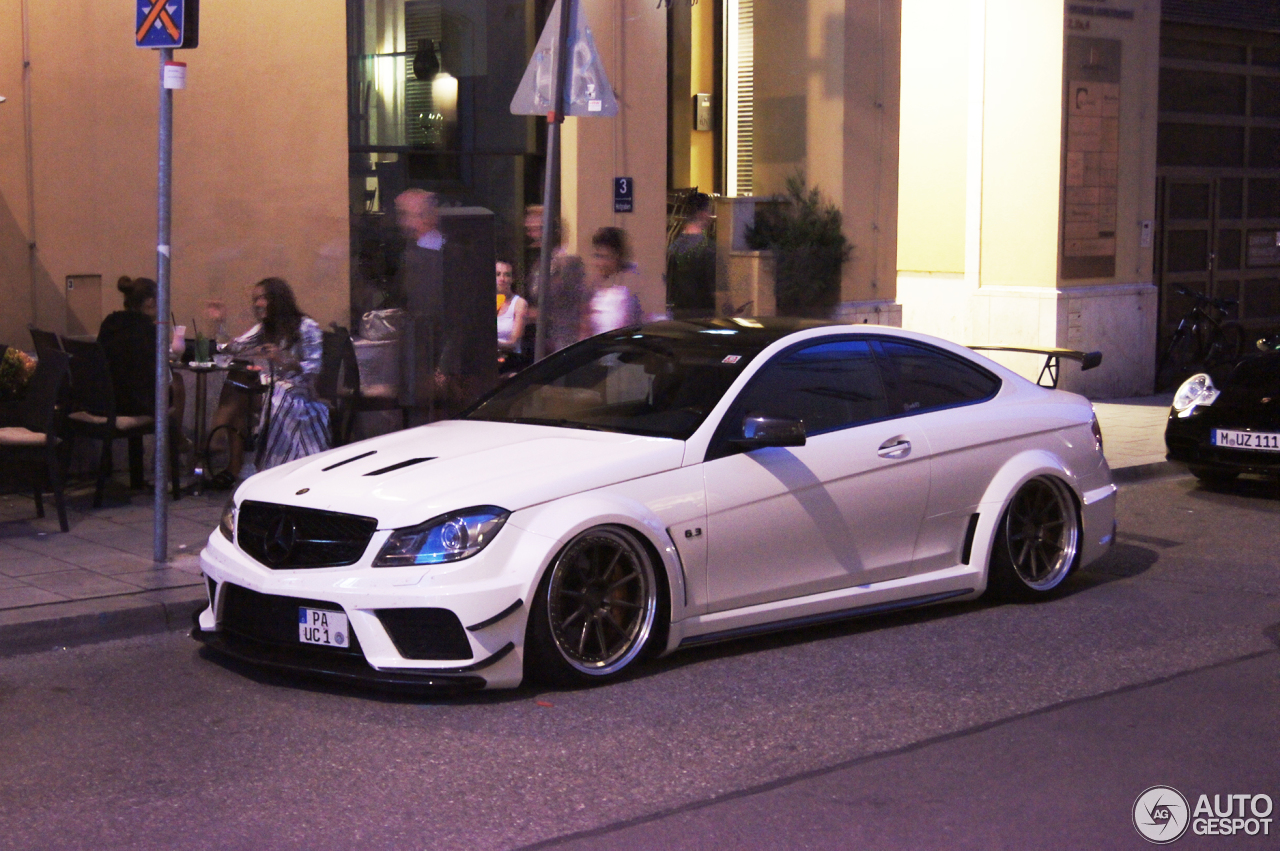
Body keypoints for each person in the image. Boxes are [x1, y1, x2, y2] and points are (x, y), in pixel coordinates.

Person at [205, 278, 328, 486]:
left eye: (262, 298)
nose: (257, 304)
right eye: (255, 299)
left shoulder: (307, 326)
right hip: (273, 384)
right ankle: (229, 453)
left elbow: (314, 369)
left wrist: (287, 361)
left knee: (242, 395)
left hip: (298, 390)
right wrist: (219, 322)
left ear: (278, 299)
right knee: (238, 379)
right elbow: (233, 348)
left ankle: (220, 444)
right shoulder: (266, 328)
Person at [96, 276, 187, 444]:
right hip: (132, 403)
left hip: (103, 399)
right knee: (177, 383)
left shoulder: (110, 322)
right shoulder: (147, 330)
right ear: (151, 302)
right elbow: (152, 372)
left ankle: (176, 439)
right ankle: (175, 441)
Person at [394, 188, 457, 419]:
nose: (402, 222)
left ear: (426, 216)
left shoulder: (442, 255)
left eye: (406, 214)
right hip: (421, 349)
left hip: (437, 352)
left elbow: (453, 315)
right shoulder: (413, 253)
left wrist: (444, 364)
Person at [665, 192, 717, 318]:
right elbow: (715, 289)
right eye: (709, 211)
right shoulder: (708, 248)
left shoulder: (674, 246)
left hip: (679, 313)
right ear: (703, 213)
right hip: (703, 316)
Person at [585, 226, 644, 338]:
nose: (600, 263)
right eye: (597, 256)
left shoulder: (629, 289)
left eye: (605, 257)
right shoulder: (593, 289)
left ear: (618, 257)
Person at [495, 259, 528, 372]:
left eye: (507, 275)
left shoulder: (519, 304)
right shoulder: (485, 303)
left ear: (512, 279)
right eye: (498, 274)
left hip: (510, 359)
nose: (502, 279)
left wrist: (492, 343)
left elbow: (514, 343)